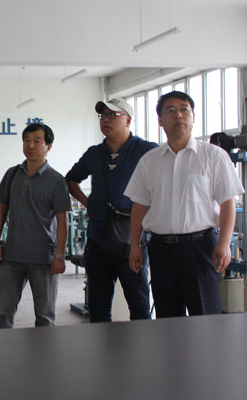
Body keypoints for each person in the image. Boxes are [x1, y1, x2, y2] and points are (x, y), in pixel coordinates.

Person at [125, 91, 244, 318]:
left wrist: (224, 243)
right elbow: (139, 206)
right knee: (168, 318)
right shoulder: (149, 162)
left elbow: (227, 202)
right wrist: (134, 245)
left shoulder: (214, 156)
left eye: (184, 110)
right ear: (160, 120)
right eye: (170, 111)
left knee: (205, 316)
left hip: (201, 248)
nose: (178, 115)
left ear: (193, 116)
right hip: (161, 249)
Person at [65, 98, 157, 323]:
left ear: (128, 120)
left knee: (139, 304)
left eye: (112, 115)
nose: (106, 120)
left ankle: (142, 343)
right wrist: (88, 203)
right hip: (98, 241)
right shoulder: (94, 154)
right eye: (103, 116)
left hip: (132, 242)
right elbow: (71, 179)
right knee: (98, 308)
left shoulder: (146, 151)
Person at [0, 123, 70, 329]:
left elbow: (63, 220)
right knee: (2, 314)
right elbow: (1, 209)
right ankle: (2, 349)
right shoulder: (12, 174)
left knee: (45, 318)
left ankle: (44, 351)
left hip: (44, 259)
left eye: (37, 141)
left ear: (48, 146)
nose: (30, 146)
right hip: (12, 257)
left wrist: (60, 255)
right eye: (26, 141)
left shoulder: (56, 180)